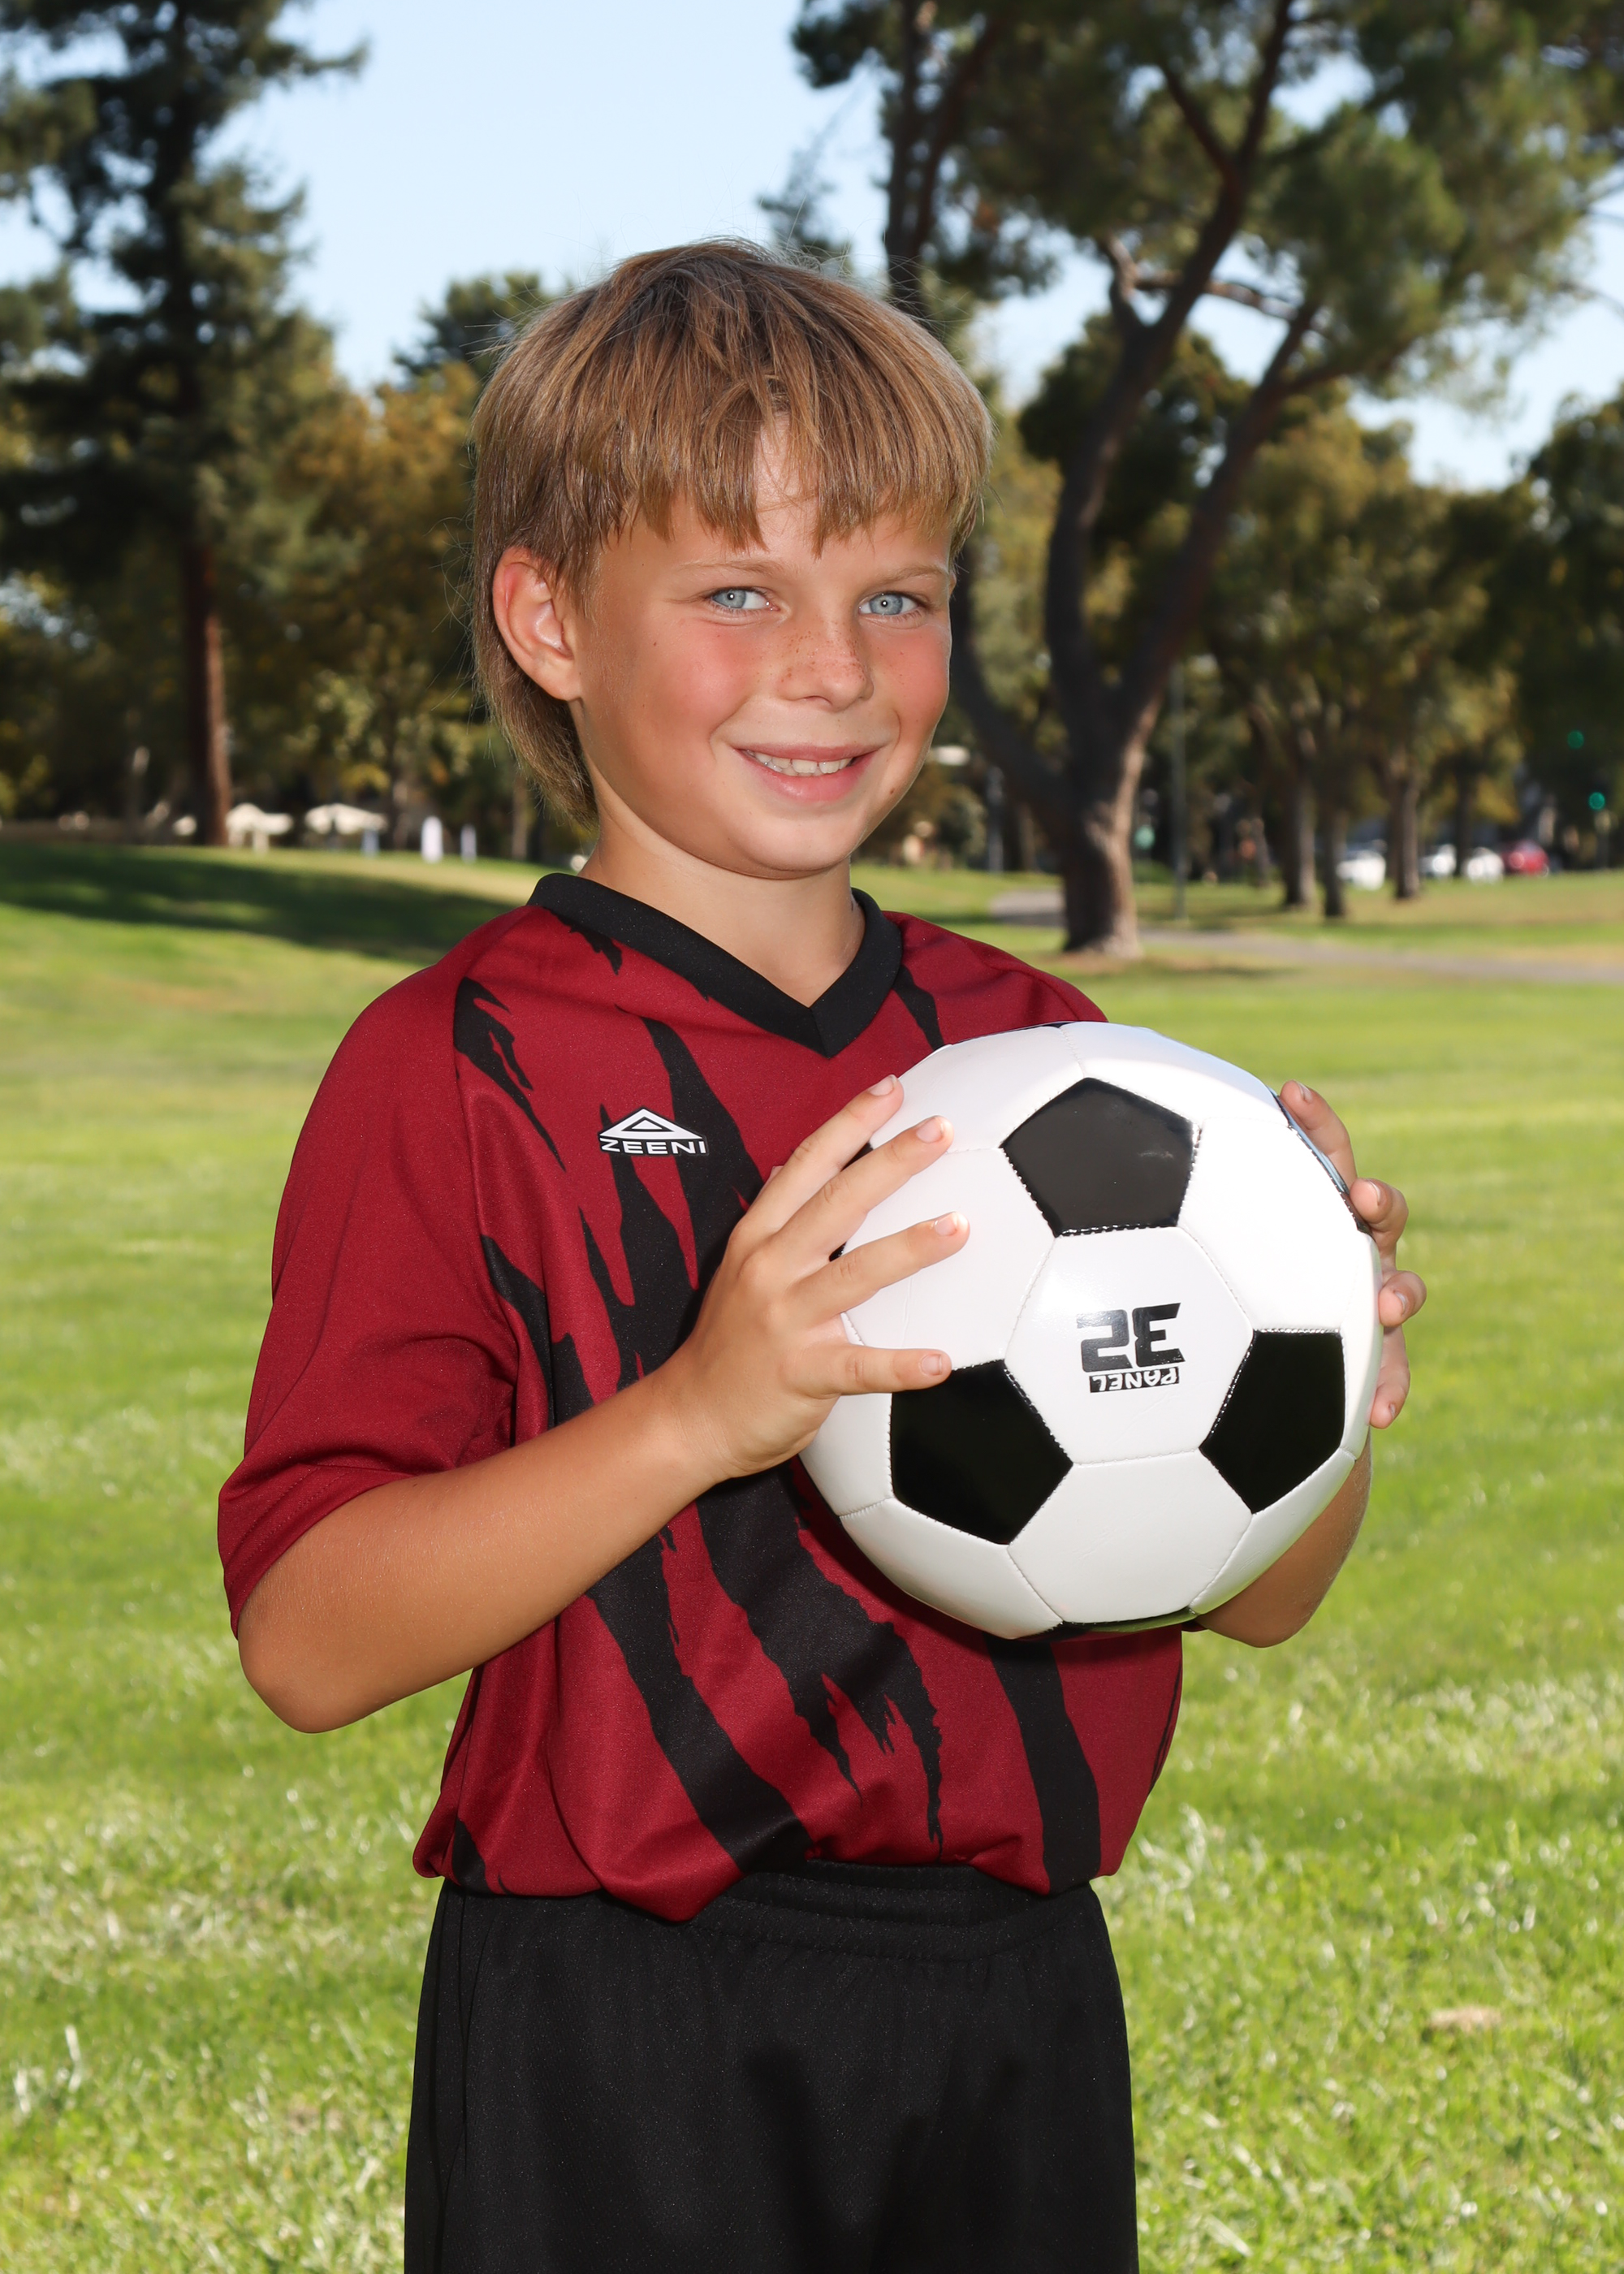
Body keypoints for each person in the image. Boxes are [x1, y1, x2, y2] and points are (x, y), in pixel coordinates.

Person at [218, 244, 1424, 2274]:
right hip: (619, 2021)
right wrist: (697, 1413)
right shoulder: (459, 1062)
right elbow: (307, 1639)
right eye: (738, 592)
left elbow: (1263, 1592)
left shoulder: (1051, 1054)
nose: (835, 668)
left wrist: (1308, 1353)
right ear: (549, 619)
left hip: (1014, 1998)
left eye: (897, 595)